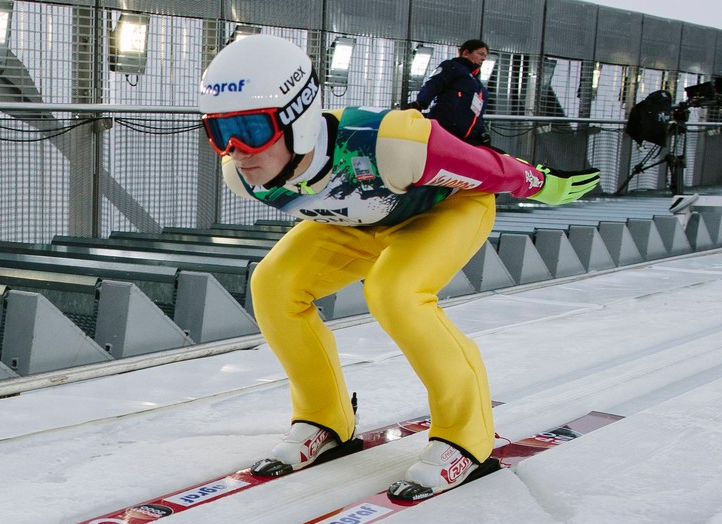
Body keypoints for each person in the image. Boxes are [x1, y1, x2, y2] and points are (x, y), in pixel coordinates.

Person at [198, 35, 598, 500]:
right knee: (273, 284)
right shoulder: (244, 177)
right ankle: (324, 419)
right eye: (217, 131)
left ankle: (464, 438)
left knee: (395, 291)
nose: (235, 151)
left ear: (299, 119)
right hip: (363, 217)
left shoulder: (392, 142)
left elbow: (487, 167)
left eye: (249, 129)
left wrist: (543, 184)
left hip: (445, 209)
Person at [405, 39, 492, 147]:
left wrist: (483, 130)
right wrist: (420, 102)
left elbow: (477, 113)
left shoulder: (479, 86)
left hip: (467, 138)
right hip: (445, 129)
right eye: (480, 54)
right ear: (466, 53)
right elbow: (435, 83)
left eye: (485, 56)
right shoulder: (453, 67)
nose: (483, 58)